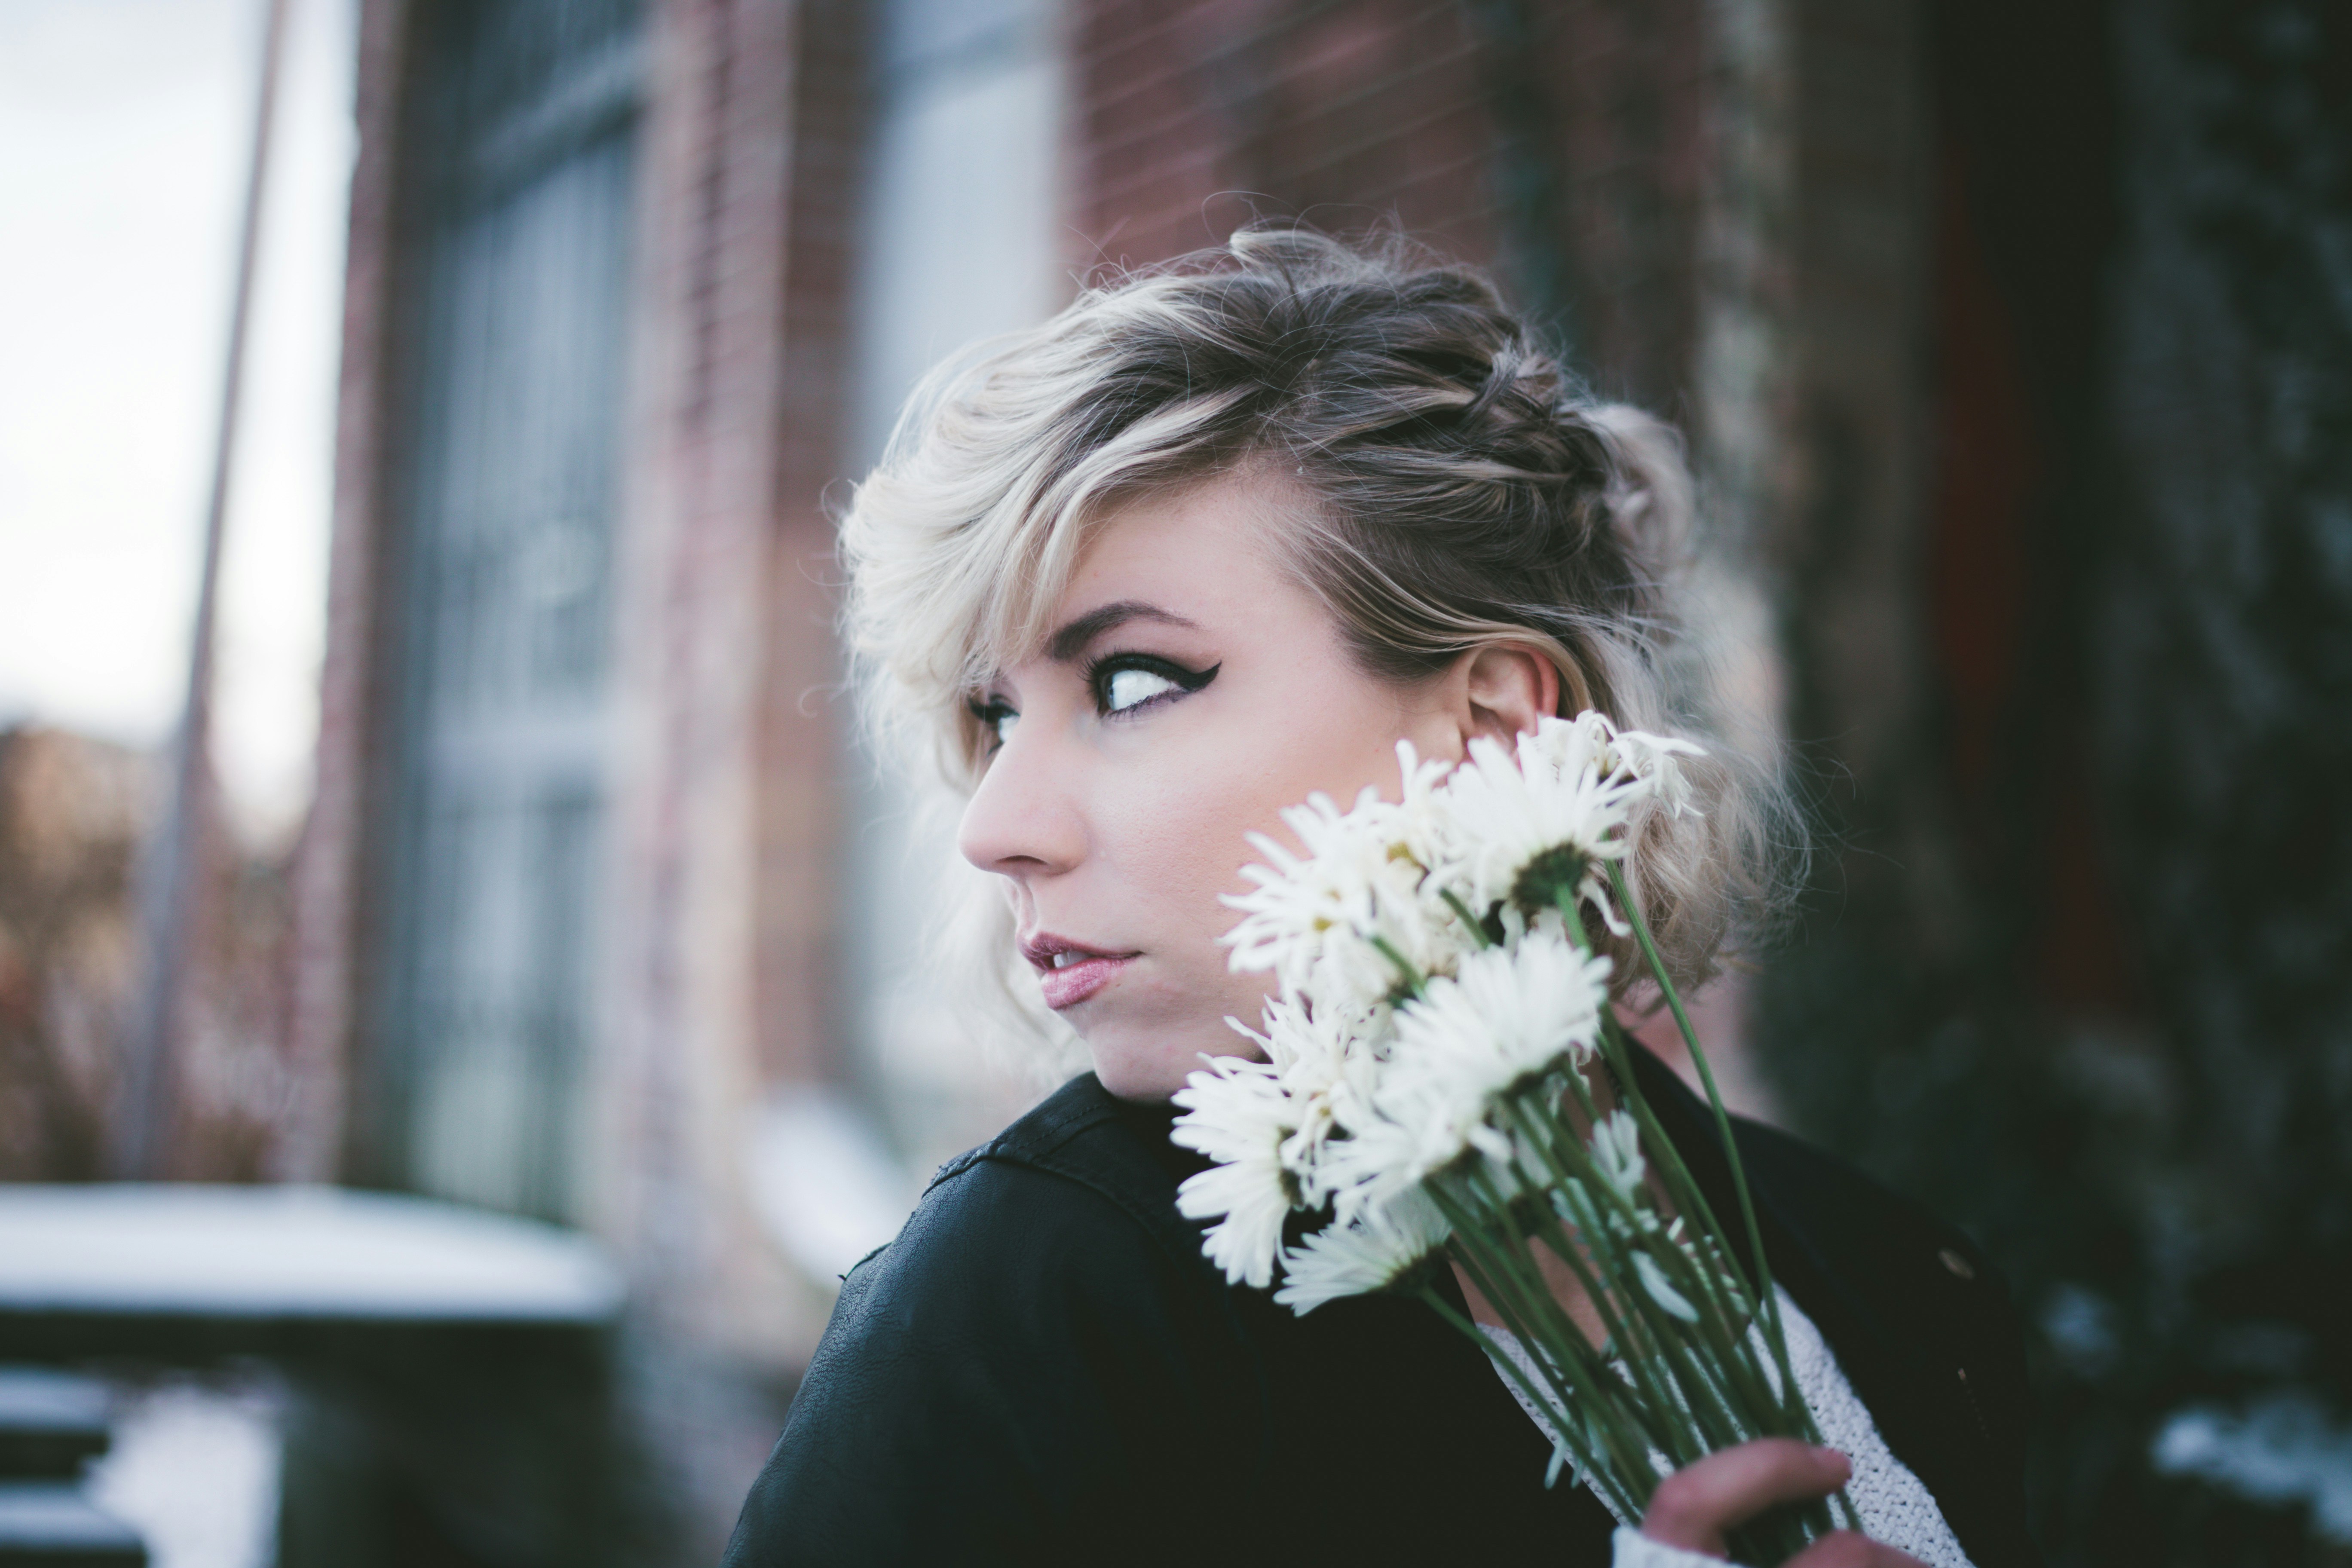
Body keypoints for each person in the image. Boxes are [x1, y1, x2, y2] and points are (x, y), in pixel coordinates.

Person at [720, 231, 2038, 1567]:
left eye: (1128, 683)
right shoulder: (1027, 1308)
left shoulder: (1902, 1280)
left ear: (1494, 721)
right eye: (993, 717)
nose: (996, 828)